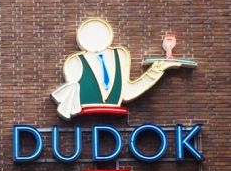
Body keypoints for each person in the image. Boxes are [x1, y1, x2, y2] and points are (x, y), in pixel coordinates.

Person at [51, 17, 182, 119]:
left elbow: (128, 92)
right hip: (87, 116)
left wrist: (157, 70)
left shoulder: (120, 55)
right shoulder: (75, 62)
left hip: (116, 114)